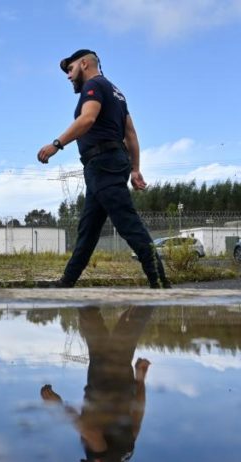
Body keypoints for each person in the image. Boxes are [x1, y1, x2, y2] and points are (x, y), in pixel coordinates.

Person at [37, 50, 170, 289]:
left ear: (84, 63)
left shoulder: (94, 86)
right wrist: (135, 169)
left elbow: (87, 119)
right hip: (107, 163)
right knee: (87, 231)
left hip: (103, 163)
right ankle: (66, 282)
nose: (68, 76)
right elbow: (130, 133)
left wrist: (56, 144)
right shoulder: (116, 92)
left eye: (70, 69)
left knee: (128, 224)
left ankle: (160, 283)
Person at [41, 305, 153, 462]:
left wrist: (139, 380)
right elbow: (91, 431)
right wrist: (59, 406)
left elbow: (136, 421)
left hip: (120, 378)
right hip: (105, 379)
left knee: (125, 322)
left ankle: (153, 288)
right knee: (102, 322)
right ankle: (156, 283)